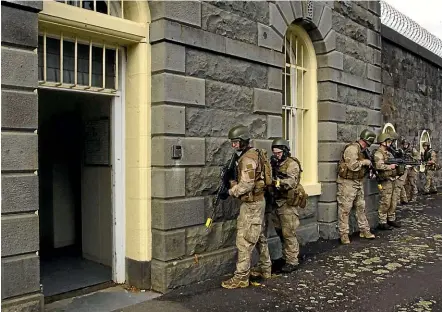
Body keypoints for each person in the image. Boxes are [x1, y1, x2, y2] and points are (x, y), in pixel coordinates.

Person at [221, 125, 271, 289]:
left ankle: (241, 277)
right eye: (232, 143)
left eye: (236, 142)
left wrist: (230, 190)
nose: (233, 145)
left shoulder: (248, 159)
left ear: (243, 141)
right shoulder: (254, 153)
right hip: (257, 202)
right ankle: (265, 269)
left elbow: (247, 185)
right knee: (259, 237)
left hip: (251, 204)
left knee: (244, 240)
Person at [253, 138, 302, 274]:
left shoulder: (292, 164)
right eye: (274, 153)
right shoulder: (274, 163)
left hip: (287, 203)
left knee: (288, 233)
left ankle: (292, 260)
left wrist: (277, 182)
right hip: (276, 202)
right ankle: (286, 256)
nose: (277, 155)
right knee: (280, 232)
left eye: (279, 153)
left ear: (285, 151)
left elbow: (291, 182)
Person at [336, 129, 376, 244]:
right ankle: (344, 234)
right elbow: (353, 166)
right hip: (347, 183)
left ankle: (364, 230)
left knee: (361, 207)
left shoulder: (362, 150)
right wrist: (365, 162)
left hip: (358, 181)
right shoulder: (352, 149)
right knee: (345, 209)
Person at [373, 133, 400, 230]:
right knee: (386, 201)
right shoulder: (378, 154)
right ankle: (382, 221)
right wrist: (390, 166)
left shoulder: (388, 153)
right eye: (388, 142)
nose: (390, 143)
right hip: (385, 180)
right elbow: (378, 166)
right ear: (382, 142)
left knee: (393, 201)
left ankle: (391, 218)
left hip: (392, 179)